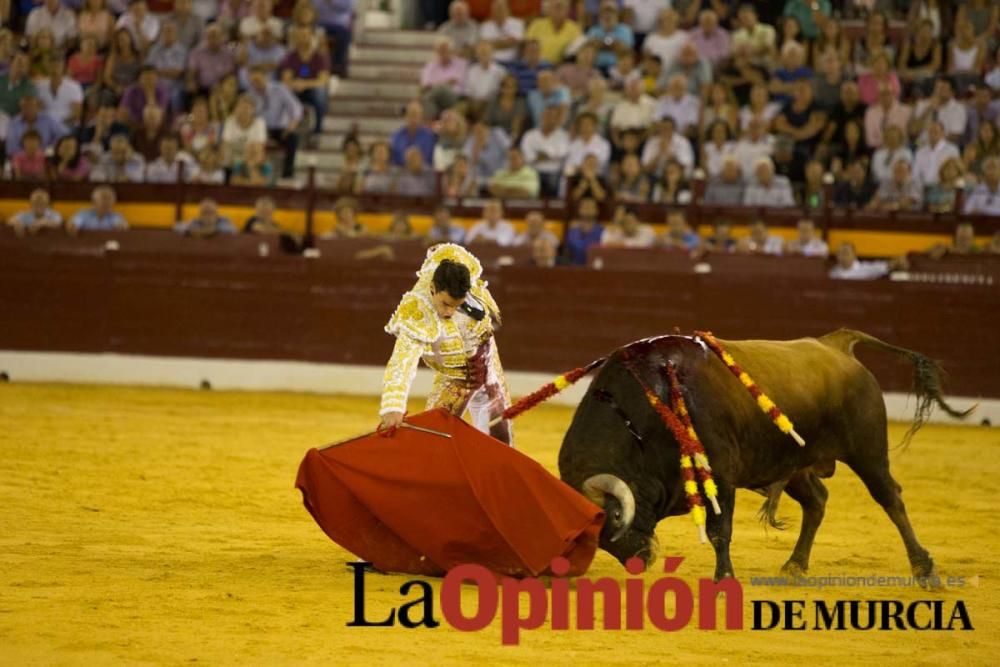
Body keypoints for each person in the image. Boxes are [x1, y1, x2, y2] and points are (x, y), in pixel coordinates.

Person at [379, 244, 513, 445]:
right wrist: (393, 405)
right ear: (432, 289)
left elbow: (443, 252)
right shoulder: (418, 309)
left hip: (487, 360)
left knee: (500, 438)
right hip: (455, 376)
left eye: (456, 306)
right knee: (432, 441)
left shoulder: (456, 264)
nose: (449, 312)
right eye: (445, 304)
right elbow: (402, 359)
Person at [829, 242, 897, 280]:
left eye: (845, 253)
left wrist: (898, 261)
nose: (842, 256)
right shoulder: (833, 272)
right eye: (839, 253)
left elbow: (887, 266)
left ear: (854, 255)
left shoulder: (866, 268)